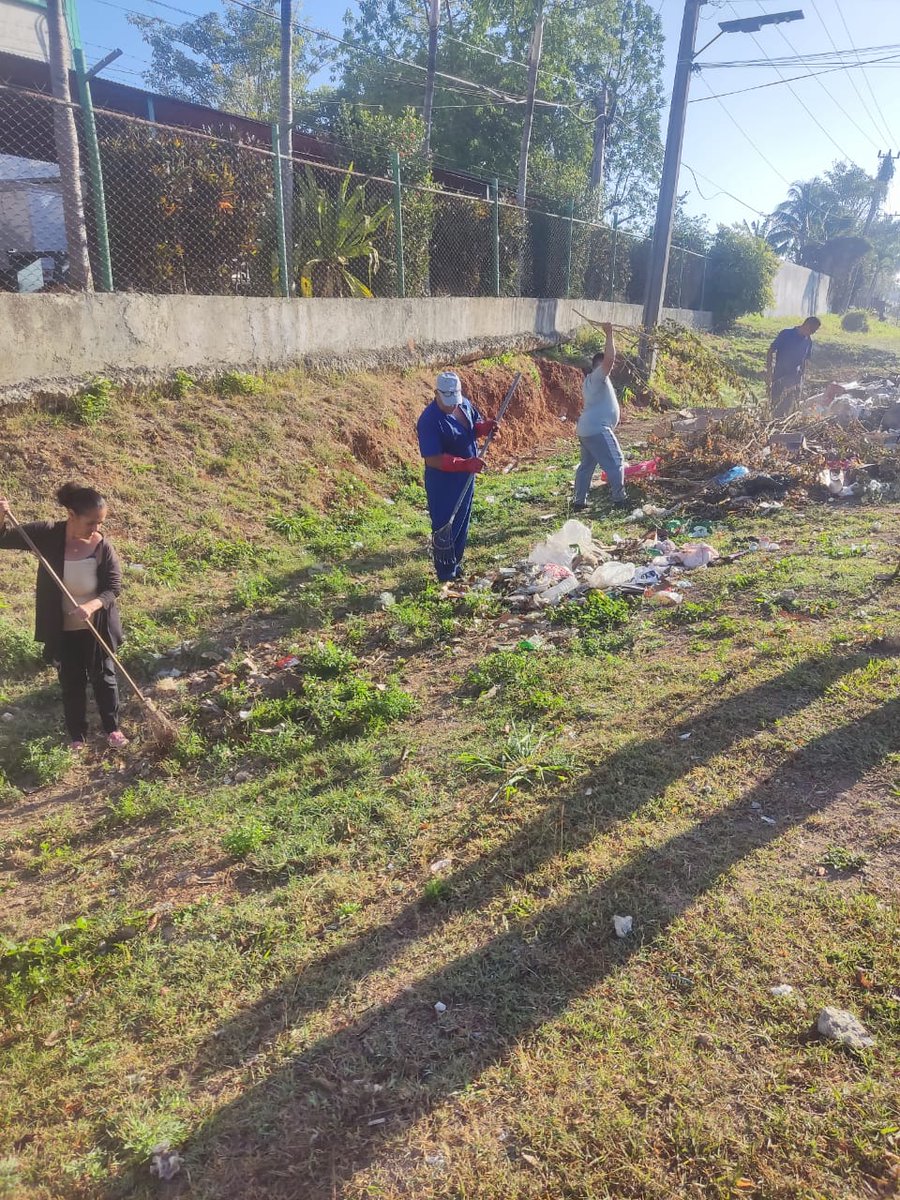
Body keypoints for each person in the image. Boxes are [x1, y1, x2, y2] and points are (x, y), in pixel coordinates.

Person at [0, 483, 127, 751]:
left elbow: (113, 588)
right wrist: (2, 515)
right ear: (71, 514)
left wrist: (91, 607)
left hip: (97, 625)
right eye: (91, 522)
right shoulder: (47, 534)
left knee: (104, 678)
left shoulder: (102, 545)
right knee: (71, 682)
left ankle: (112, 729)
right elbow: (3, 539)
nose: (96, 528)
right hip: (63, 628)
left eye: (100, 522)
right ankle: (77, 737)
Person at [416, 371, 497, 582]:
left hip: (466, 477)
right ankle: (445, 572)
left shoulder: (464, 405)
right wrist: (465, 464)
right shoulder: (429, 420)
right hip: (443, 481)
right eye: (447, 401)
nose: (452, 405)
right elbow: (433, 458)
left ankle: (456, 563)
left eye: (455, 400)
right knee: (445, 524)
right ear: (436, 394)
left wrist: (484, 428)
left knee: (462, 520)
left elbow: (472, 428)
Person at [573, 321, 627, 511]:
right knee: (616, 461)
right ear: (598, 365)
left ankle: (579, 502)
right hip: (597, 429)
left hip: (587, 430)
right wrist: (609, 333)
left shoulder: (593, 381)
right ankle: (620, 500)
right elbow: (610, 360)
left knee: (586, 466)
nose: (609, 368)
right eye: (605, 365)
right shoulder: (597, 376)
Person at [766, 316, 821, 418]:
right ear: (806, 325)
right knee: (775, 404)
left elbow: (805, 360)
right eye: (812, 330)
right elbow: (771, 350)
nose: (813, 333)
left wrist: (802, 377)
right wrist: (769, 370)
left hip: (795, 378)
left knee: (791, 407)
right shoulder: (786, 334)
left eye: (815, 331)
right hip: (780, 375)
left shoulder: (808, 341)